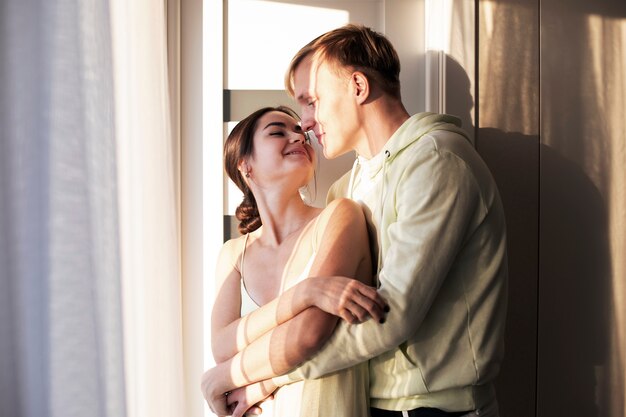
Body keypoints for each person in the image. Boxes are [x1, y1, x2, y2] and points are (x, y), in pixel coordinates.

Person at [203, 24, 508, 417]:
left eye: (311, 102)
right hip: (374, 406)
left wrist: (262, 379)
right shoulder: (347, 189)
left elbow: (392, 314)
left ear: (358, 87)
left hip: (438, 409)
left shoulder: (436, 161)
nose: (307, 124)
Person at [202, 105, 388, 417]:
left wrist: (229, 376)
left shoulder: (339, 216)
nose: (299, 137)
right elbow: (223, 345)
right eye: (278, 132)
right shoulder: (234, 254)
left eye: (301, 131)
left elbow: (308, 333)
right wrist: (304, 293)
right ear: (245, 165)